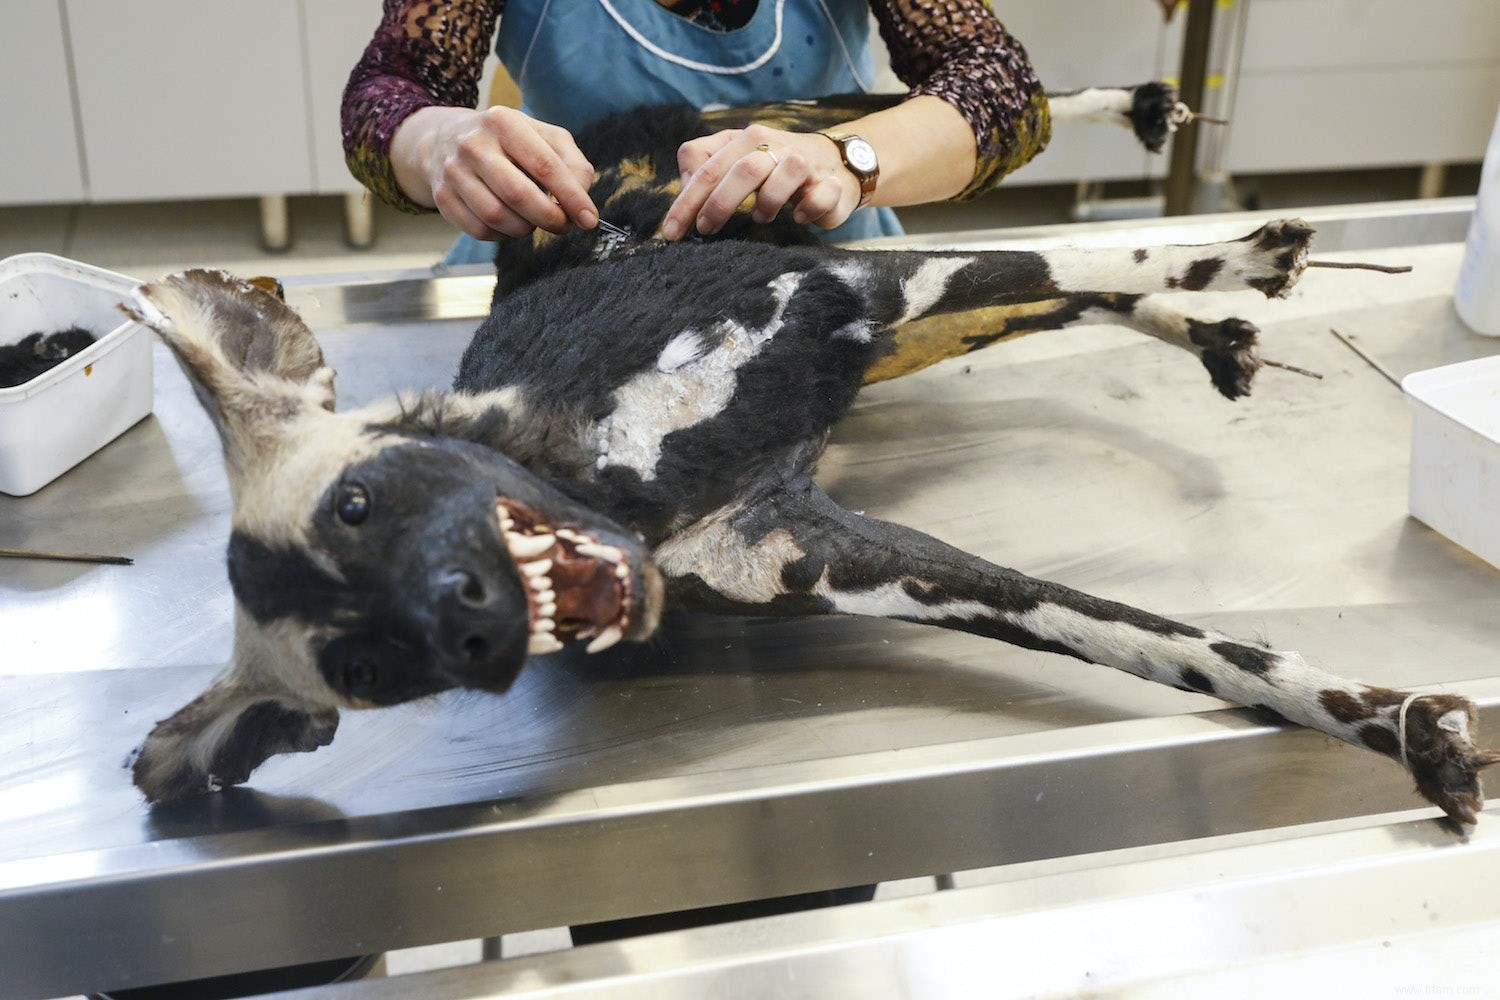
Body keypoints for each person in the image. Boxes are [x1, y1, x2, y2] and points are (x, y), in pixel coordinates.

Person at [342, 0, 1051, 264]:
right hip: (570, 271)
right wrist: (439, 144)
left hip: (819, 262)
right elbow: (392, 88)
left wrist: (844, 158)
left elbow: (999, 87)